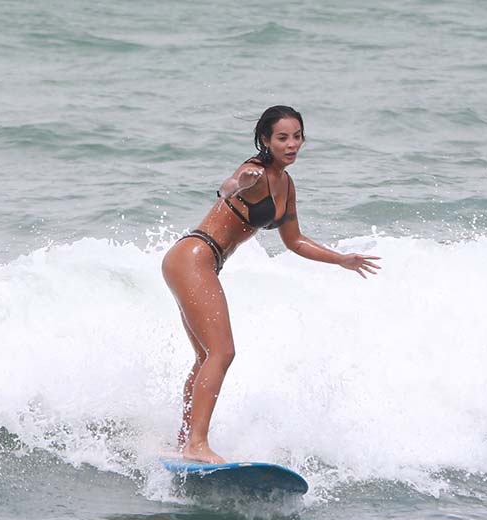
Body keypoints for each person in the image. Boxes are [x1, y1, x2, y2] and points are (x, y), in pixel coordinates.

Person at [161, 105, 381, 463]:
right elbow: (228, 187)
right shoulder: (255, 172)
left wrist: (340, 259)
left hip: (197, 261)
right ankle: (197, 444)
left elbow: (294, 241)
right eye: (282, 137)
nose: (291, 144)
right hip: (194, 257)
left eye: (297, 137)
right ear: (265, 140)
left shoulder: (286, 185)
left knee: (206, 356)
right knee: (223, 353)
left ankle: (185, 440)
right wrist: (238, 185)